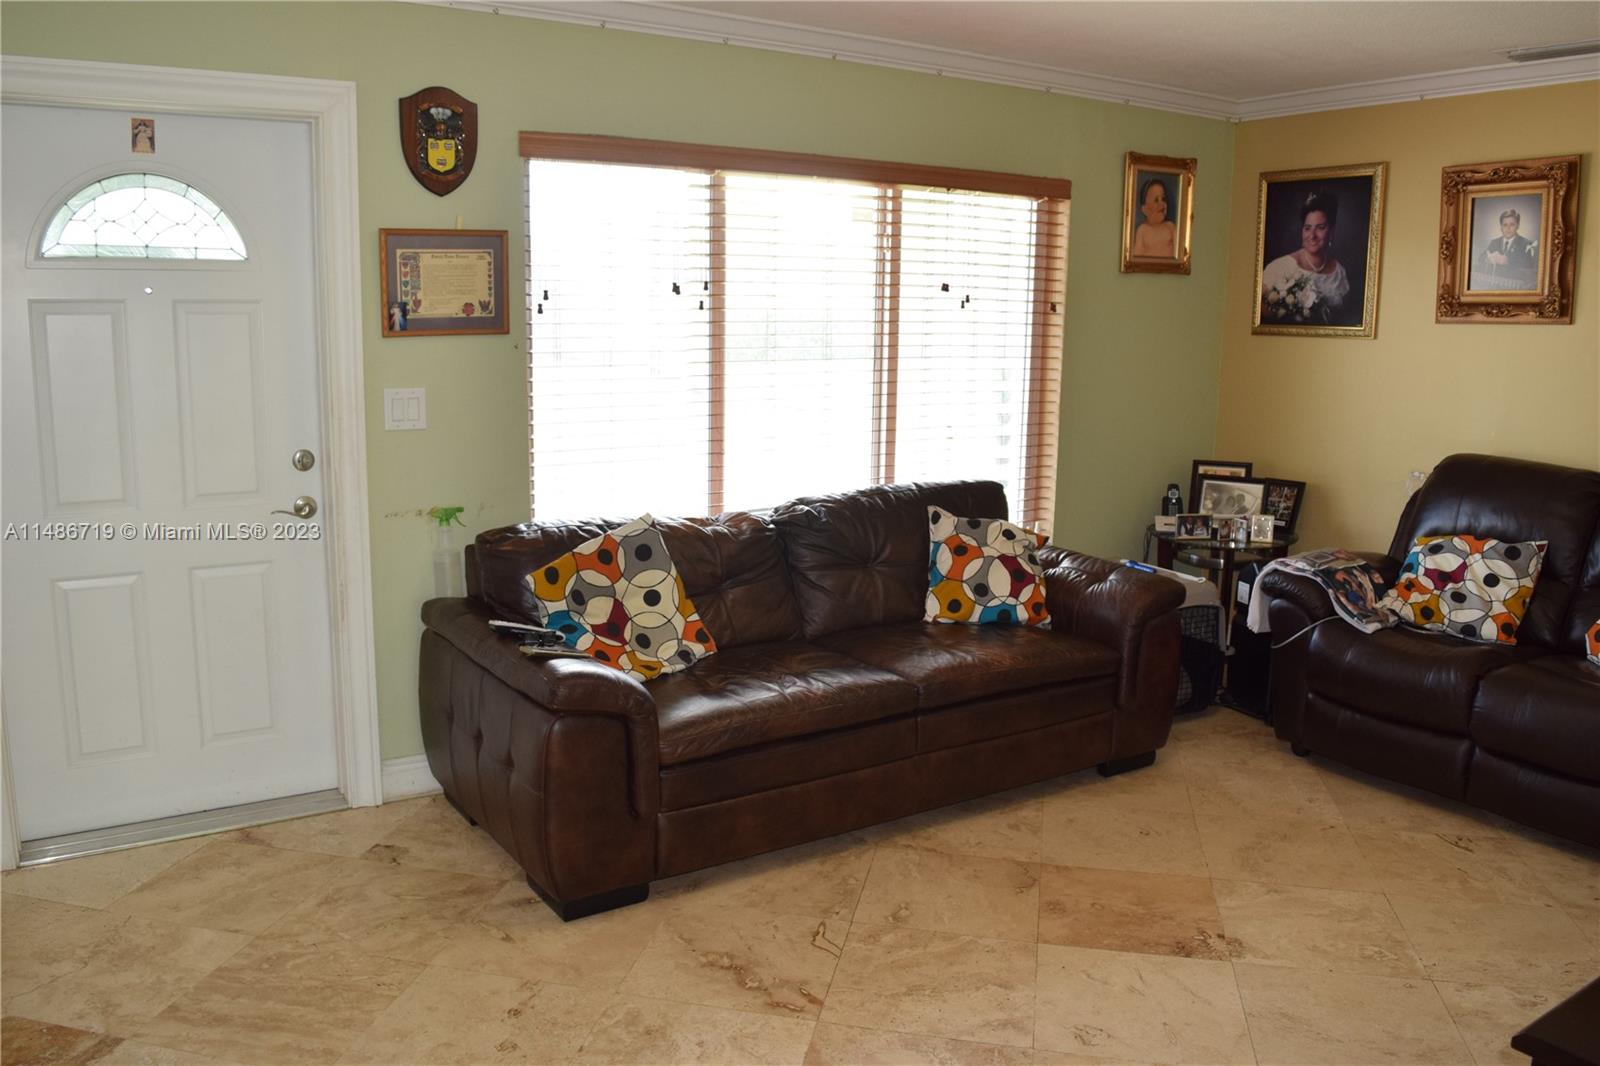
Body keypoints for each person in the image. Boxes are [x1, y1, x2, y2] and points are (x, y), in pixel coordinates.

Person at [1261, 192, 1351, 324]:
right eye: (1307, 228)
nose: (1312, 235)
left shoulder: (1339, 273)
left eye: (1320, 228)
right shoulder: (1280, 267)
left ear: (1331, 231)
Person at [1472, 207, 1537, 290]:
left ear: (1518, 226)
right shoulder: (1494, 242)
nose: (1508, 228)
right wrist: (1489, 258)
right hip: (1495, 285)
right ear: (1501, 227)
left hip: (1516, 288)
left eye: (1512, 224)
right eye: (1505, 225)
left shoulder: (1526, 244)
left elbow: (1530, 267)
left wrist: (1508, 261)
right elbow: (1481, 258)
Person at [1130, 177, 1175, 258]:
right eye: (1156, 200)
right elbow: (1136, 256)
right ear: (1145, 210)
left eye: (1163, 199)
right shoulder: (1142, 230)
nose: (1162, 204)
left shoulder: (1170, 227)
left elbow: (1179, 253)